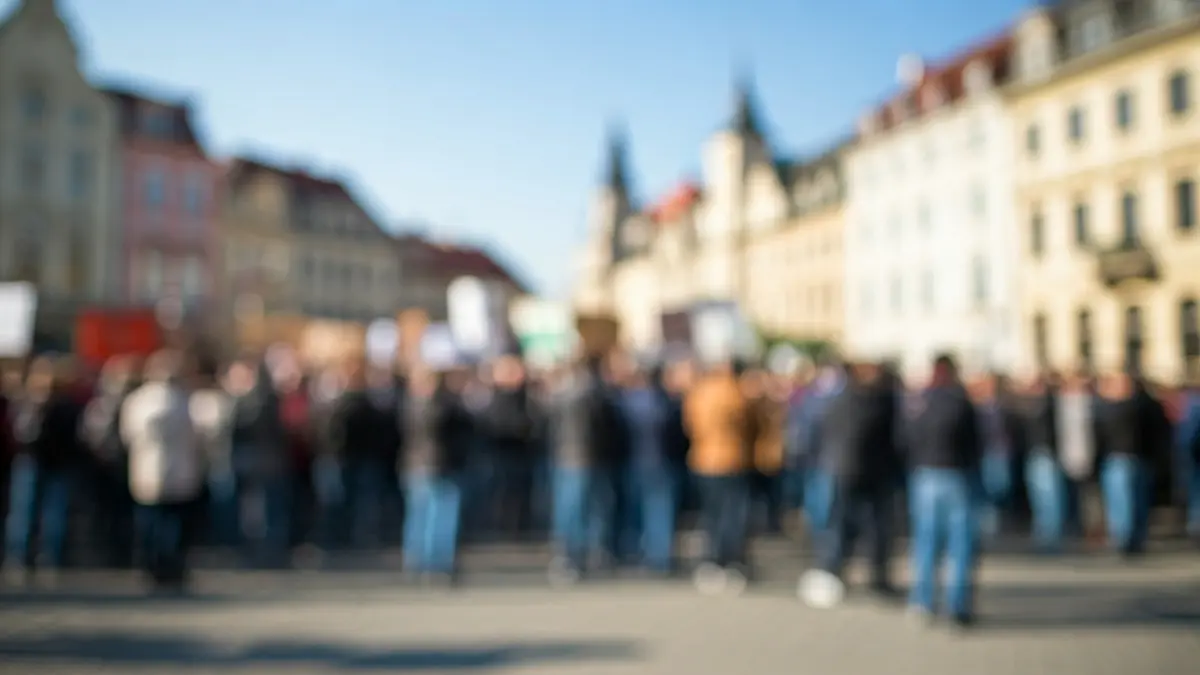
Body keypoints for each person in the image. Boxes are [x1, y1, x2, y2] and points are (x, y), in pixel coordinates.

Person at [799, 360, 900, 609]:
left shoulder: (837, 402)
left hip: (840, 470)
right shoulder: (882, 404)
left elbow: (817, 433)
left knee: (840, 525)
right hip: (867, 475)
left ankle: (833, 569)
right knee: (871, 528)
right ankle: (872, 575)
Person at [904, 353, 982, 629]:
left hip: (925, 474)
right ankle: (957, 606)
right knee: (960, 544)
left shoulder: (919, 402)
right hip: (957, 475)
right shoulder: (961, 402)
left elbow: (907, 438)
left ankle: (922, 602)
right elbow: (976, 442)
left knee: (926, 542)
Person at [121, 350, 204, 592]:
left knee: (151, 522)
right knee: (173, 524)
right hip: (179, 470)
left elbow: (128, 436)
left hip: (147, 471)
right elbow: (197, 437)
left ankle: (151, 566)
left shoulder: (138, 401)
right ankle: (171, 567)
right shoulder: (184, 401)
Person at [4, 357, 87, 586]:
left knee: (49, 513)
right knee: (27, 513)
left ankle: (45, 557)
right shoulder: (31, 402)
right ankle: (24, 556)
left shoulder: (62, 405)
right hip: (35, 462)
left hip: (51, 464)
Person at [545, 355, 621, 584]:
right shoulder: (591, 396)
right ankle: (587, 554)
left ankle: (570, 556)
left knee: (571, 512)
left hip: (566, 458)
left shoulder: (560, 396)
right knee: (586, 511)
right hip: (585, 459)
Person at [684, 359, 754, 595]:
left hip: (703, 460)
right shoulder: (734, 392)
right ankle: (730, 561)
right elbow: (747, 423)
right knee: (732, 516)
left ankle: (711, 561)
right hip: (730, 460)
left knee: (711, 516)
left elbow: (689, 424)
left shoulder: (699, 392)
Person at [401, 364, 473, 584]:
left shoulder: (411, 404)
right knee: (438, 516)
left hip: (418, 465)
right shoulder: (437, 406)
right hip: (437, 466)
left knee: (422, 515)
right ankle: (437, 562)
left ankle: (419, 561)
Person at [1021, 372, 1068, 553]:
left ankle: (1050, 536)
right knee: (1041, 499)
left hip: (1046, 455)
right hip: (1037, 455)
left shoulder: (1049, 404)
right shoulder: (1037, 405)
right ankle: (1044, 534)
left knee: (1050, 499)